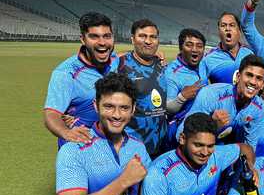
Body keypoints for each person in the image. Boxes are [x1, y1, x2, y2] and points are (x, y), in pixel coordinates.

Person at [43, 12, 119, 146]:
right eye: (94, 37)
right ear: (83, 39)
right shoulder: (66, 73)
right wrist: (66, 133)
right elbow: (51, 114)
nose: (102, 42)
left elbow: (129, 56)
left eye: (107, 36)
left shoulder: (115, 59)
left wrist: (155, 57)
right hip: (81, 147)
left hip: (111, 146)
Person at [177, 54, 264, 150]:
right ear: (238, 77)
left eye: (259, 78)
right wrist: (211, 124)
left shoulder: (259, 106)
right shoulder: (212, 94)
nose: (253, 82)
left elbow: (250, 146)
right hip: (180, 143)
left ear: (263, 84)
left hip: (215, 144)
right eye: (249, 75)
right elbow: (181, 136)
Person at [118, 19, 168, 158]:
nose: (148, 41)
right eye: (142, 36)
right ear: (133, 39)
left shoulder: (162, 65)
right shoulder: (120, 65)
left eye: (153, 37)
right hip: (131, 146)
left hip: (160, 144)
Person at [164, 28, 207, 149]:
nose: (195, 49)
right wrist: (182, 97)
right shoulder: (172, 73)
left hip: (202, 128)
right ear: (181, 47)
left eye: (199, 46)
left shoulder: (203, 64)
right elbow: (167, 108)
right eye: (189, 45)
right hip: (180, 131)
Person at [199, 12, 253, 84]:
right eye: (223, 25)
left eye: (232, 25)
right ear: (219, 32)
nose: (227, 28)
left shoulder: (250, 54)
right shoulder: (208, 59)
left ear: (239, 31)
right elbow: (201, 87)